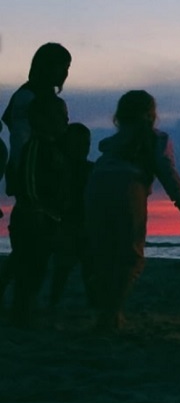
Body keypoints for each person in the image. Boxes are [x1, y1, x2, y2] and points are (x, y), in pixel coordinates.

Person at [84, 90, 180, 332]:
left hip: (95, 186)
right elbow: (165, 169)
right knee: (130, 254)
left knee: (104, 251)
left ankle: (106, 311)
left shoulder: (113, 144)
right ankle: (111, 314)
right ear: (151, 114)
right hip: (128, 188)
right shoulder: (157, 140)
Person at [0, 42, 73, 309]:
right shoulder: (30, 97)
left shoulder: (31, 96)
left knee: (31, 246)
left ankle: (19, 298)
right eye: (61, 67)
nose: (65, 73)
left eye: (67, 68)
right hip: (34, 173)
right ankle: (22, 303)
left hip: (39, 172)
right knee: (33, 244)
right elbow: (18, 131)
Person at [8, 94, 70, 325]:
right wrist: (37, 208)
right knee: (28, 267)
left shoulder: (55, 149)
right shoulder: (35, 147)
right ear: (41, 119)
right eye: (60, 116)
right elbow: (29, 180)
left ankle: (26, 308)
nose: (65, 121)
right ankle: (21, 311)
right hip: (32, 217)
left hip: (47, 217)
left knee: (38, 266)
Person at [49, 122, 94, 308]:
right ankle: (54, 301)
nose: (83, 148)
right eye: (79, 144)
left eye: (86, 144)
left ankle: (56, 301)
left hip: (84, 223)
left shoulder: (90, 168)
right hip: (69, 223)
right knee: (65, 267)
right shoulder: (61, 169)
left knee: (87, 267)